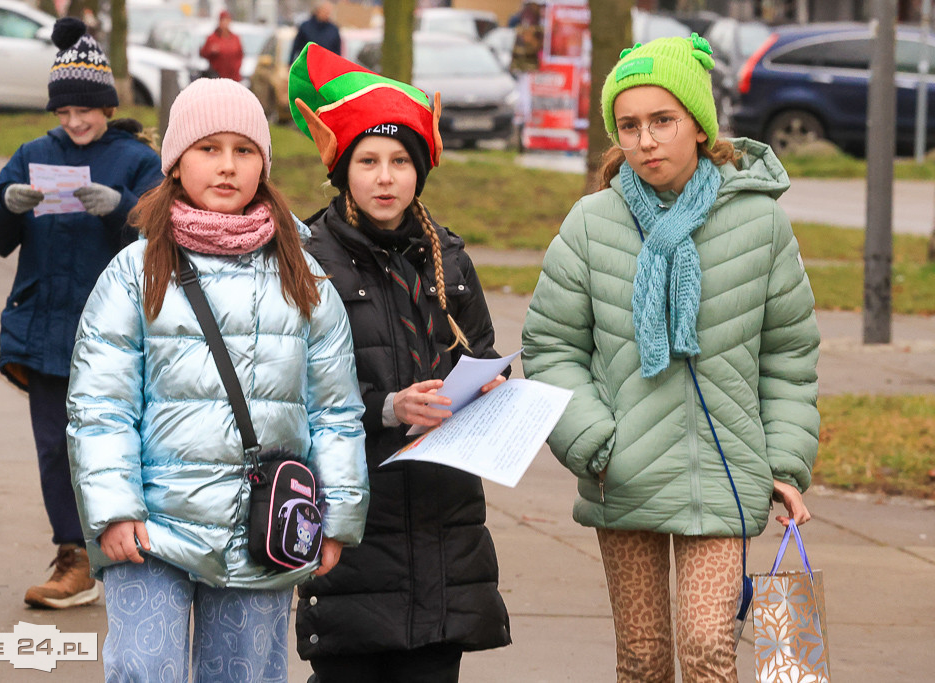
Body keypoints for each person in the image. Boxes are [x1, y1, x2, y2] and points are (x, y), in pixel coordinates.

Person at [521, 35, 821, 681]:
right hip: (622, 474)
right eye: (629, 126)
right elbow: (551, 347)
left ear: (698, 123)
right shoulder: (590, 224)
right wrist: (595, 440)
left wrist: (787, 459)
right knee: (645, 658)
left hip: (727, 474)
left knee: (710, 648)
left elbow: (789, 354)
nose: (647, 140)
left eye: (663, 120)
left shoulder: (761, 225)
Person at [66, 77, 370, 680]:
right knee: (143, 669)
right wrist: (113, 509)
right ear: (177, 162)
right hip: (150, 529)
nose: (227, 166)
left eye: (244, 150)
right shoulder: (134, 271)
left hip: (260, 531)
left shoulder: (303, 278)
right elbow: (100, 404)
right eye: (208, 149)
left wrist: (334, 517)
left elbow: (335, 411)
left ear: (264, 162)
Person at [287, 44, 511, 682]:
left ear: (420, 172)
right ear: (343, 171)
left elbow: (484, 355)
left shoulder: (448, 257)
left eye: (400, 162)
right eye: (369, 161)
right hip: (354, 529)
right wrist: (389, 407)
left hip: (446, 532)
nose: (386, 178)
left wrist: (493, 388)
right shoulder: (308, 261)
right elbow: (290, 395)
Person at [0, 17, 162, 610]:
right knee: (56, 446)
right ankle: (73, 556)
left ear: (107, 105)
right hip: (46, 330)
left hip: (117, 336)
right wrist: (7, 204)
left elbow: (165, 237)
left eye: (86, 110)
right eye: (64, 112)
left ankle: (136, 547)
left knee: (123, 444)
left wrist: (119, 207)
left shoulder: (134, 159)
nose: (75, 122)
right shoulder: (32, 155)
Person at [199, 9, 243, 81]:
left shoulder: (235, 38)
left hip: (233, 77)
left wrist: (237, 67)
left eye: (227, 20)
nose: (225, 23)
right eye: (223, 20)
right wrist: (211, 50)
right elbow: (203, 53)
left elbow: (240, 55)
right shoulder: (212, 38)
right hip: (217, 76)